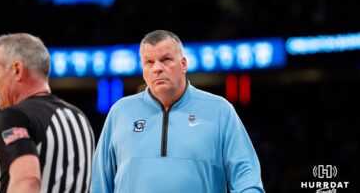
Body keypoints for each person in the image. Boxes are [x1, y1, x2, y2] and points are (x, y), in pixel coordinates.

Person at [91, 30, 264, 192]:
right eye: (149, 62)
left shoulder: (220, 110)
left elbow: (247, 180)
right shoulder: (120, 112)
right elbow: (100, 183)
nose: (157, 68)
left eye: (165, 59)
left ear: (183, 64)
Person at [0, 33, 95, 193]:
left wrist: (4, 124)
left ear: (17, 70)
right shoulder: (78, 117)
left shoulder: (13, 116)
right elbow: (42, 168)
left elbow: (27, 181)